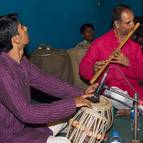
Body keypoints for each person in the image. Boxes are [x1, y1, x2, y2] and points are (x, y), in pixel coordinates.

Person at [0, 13, 97, 143]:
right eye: (22, 27)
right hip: (8, 135)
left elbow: (45, 81)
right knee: (64, 141)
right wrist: (72, 102)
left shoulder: (21, 61)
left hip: (25, 126)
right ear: (16, 39)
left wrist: (81, 93)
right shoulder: (3, 71)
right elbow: (27, 113)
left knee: (68, 113)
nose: (26, 28)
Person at [79, 4, 143, 109]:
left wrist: (128, 63)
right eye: (128, 22)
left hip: (134, 90)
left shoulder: (135, 47)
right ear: (117, 24)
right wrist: (93, 69)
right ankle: (135, 108)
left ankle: (134, 108)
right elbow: (83, 68)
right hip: (111, 91)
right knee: (117, 96)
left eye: (133, 21)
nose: (133, 25)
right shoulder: (100, 43)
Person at [67, 23, 95, 90]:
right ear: (82, 35)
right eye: (87, 31)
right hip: (84, 83)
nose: (90, 33)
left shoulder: (95, 45)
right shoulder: (79, 48)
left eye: (91, 31)